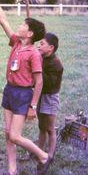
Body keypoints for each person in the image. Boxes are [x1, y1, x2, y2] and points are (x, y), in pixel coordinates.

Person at [0, 0, 51, 175]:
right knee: (8, 134)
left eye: (24, 25)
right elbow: (3, 21)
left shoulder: (34, 54)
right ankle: (12, 169)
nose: (20, 26)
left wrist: (32, 106)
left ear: (30, 34)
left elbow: (38, 82)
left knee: (15, 135)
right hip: (10, 90)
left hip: (24, 94)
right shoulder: (16, 42)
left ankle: (43, 156)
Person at [36, 33, 63, 161]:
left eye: (42, 44)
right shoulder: (42, 58)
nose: (39, 46)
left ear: (51, 48)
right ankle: (39, 151)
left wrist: (38, 64)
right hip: (40, 96)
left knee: (50, 128)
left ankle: (50, 155)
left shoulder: (56, 64)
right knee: (42, 126)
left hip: (50, 98)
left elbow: (49, 83)